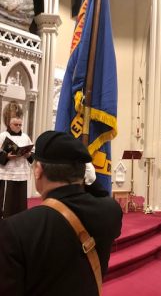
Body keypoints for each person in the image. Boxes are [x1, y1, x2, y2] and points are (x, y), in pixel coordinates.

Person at [0, 130, 123, 295]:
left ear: (38, 170)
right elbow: (102, 196)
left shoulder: (15, 230)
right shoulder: (111, 211)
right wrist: (89, 181)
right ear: (83, 172)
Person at [0, 101, 33, 218]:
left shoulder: (25, 137)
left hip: (22, 175)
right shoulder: (3, 136)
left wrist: (29, 155)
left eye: (20, 125)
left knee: (20, 207)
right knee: (7, 206)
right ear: (8, 123)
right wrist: (6, 156)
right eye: (16, 125)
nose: (19, 127)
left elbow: (32, 158)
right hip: (7, 176)